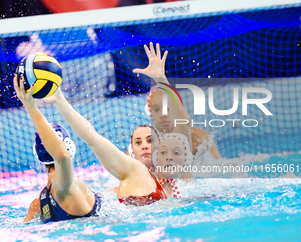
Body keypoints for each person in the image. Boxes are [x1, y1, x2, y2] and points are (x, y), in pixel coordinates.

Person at [36, 80, 193, 206]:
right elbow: (93, 139)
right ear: (131, 153)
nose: (144, 145)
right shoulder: (133, 171)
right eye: (138, 143)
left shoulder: (171, 180)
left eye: (150, 140)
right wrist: (60, 100)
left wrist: (160, 78)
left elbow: (183, 125)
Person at [13, 75, 101, 223]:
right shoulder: (65, 186)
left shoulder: (37, 205)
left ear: (37, 154)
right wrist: (31, 107)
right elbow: (62, 157)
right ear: (70, 146)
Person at [132, 42, 222, 162]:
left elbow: (220, 167)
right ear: (150, 113)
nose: (163, 114)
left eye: (168, 108)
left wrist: (160, 78)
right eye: (156, 109)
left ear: (177, 108)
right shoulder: (142, 145)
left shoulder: (198, 137)